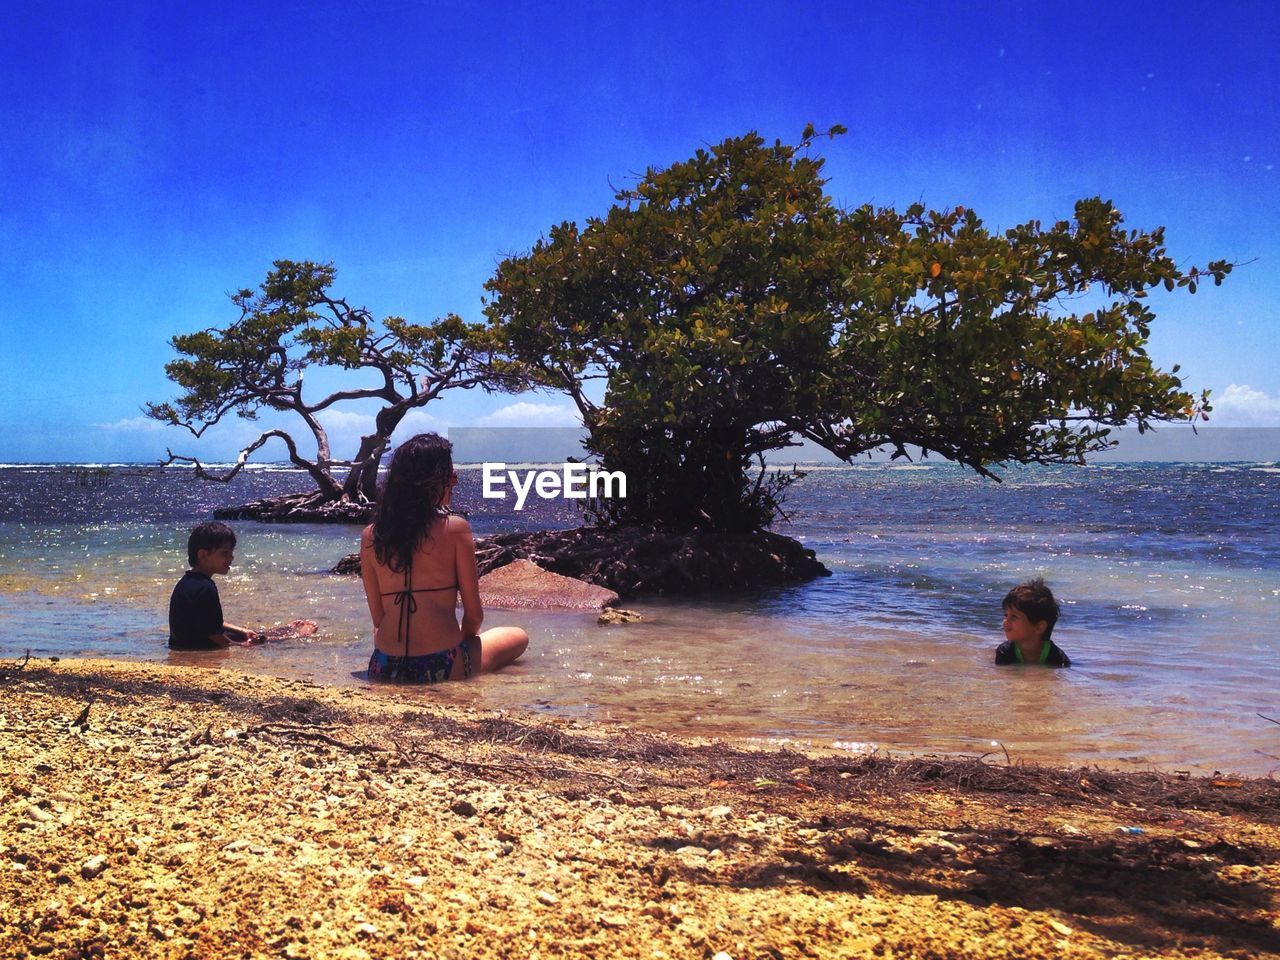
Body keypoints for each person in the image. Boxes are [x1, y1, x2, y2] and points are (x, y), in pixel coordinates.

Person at [360, 433, 528, 683]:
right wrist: (461, 642)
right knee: (518, 636)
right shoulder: (456, 529)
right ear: (433, 482)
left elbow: (378, 619)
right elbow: (474, 617)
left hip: (384, 664)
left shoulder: (371, 535)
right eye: (450, 476)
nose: (455, 481)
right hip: (441, 663)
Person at [168, 522, 262, 650]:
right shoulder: (206, 588)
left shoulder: (187, 581)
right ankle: (292, 634)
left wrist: (242, 630)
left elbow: (211, 624)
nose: (232, 557)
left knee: (249, 634)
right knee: (261, 641)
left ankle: (288, 632)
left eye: (231, 552)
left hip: (179, 644)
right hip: (198, 648)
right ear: (203, 555)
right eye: (225, 553)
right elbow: (214, 634)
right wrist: (238, 645)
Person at [995, 578, 1071, 667]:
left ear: (1039, 627)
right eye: (1005, 615)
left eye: (1014, 617)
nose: (1005, 621)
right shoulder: (1005, 652)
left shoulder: (1058, 658)